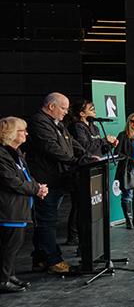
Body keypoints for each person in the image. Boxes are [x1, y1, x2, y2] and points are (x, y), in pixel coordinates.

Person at [27, 92, 91, 274]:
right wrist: (75, 161)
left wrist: (87, 156)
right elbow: (51, 148)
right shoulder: (39, 122)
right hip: (46, 181)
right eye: (63, 108)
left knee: (46, 220)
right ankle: (53, 260)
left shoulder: (58, 123)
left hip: (58, 180)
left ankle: (39, 258)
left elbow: (71, 144)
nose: (66, 112)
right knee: (47, 221)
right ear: (51, 106)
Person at [0, 117, 49, 292]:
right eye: (23, 130)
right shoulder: (2, 154)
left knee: (14, 246)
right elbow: (10, 181)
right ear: (12, 133)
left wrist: (38, 187)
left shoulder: (16, 152)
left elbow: (26, 175)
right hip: (8, 210)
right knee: (8, 247)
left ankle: (9, 276)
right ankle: (2, 280)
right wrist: (36, 189)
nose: (26, 133)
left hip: (20, 208)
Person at [65, 99, 117, 244]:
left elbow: (100, 149)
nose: (94, 109)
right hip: (81, 171)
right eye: (91, 108)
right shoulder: (77, 127)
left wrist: (109, 144)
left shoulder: (94, 126)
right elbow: (85, 146)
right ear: (82, 113)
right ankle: (73, 235)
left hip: (95, 169)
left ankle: (89, 230)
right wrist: (103, 140)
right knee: (79, 204)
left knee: (92, 202)